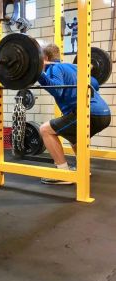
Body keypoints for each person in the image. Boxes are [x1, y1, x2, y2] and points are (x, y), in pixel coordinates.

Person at [38, 44, 111, 185]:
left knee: (45, 130)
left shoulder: (55, 68)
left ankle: (63, 174)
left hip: (90, 113)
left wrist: (39, 73)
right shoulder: (77, 67)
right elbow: (95, 83)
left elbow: (57, 90)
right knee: (74, 136)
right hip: (104, 114)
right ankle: (83, 169)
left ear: (45, 58)